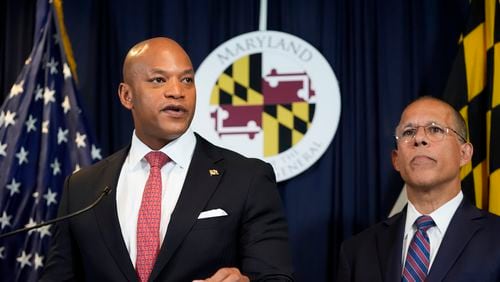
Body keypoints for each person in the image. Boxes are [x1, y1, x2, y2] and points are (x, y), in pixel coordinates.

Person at [40, 37, 294, 282]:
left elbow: (276, 276)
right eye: (159, 80)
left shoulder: (246, 178)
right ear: (127, 95)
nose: (177, 92)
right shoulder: (82, 187)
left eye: (187, 80)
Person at [337, 96, 500, 282]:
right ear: (396, 160)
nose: (419, 138)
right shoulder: (357, 251)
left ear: (464, 153)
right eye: (408, 132)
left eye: (435, 129)